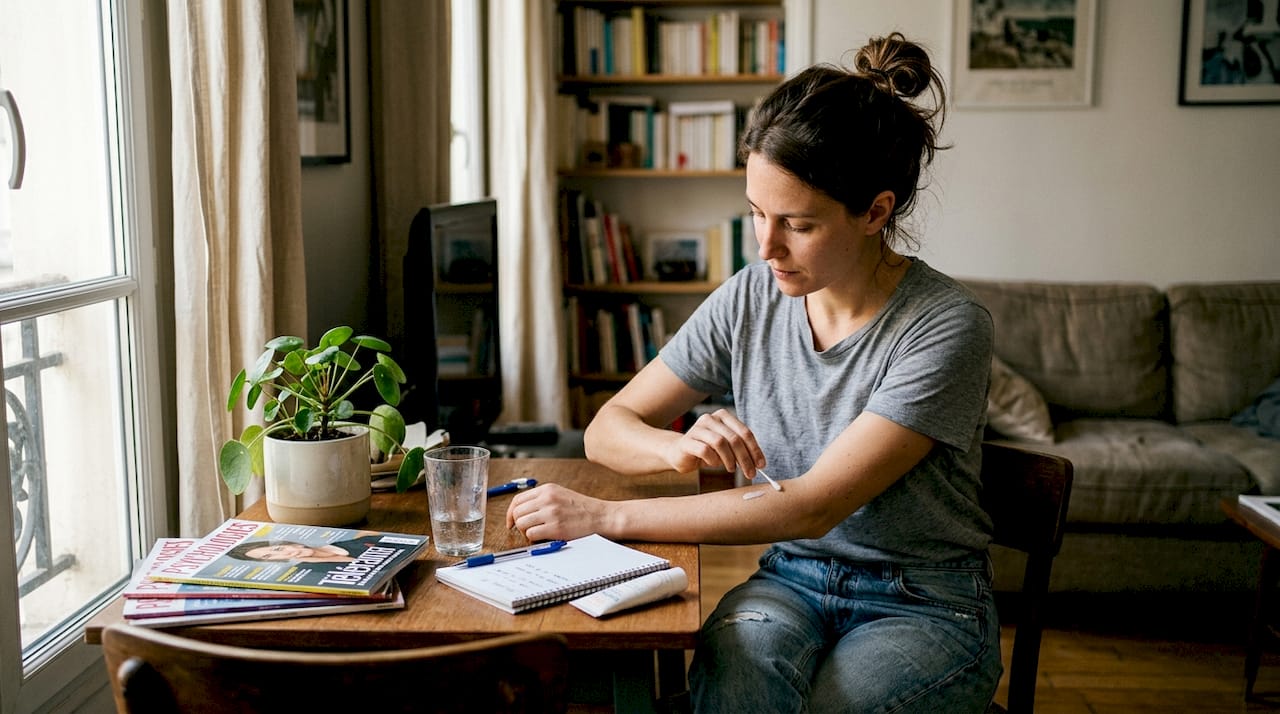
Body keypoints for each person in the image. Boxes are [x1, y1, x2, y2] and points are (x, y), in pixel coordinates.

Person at [507, 32, 1000, 712]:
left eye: (796, 224)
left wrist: (605, 516)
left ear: (875, 212)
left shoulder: (947, 325)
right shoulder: (750, 296)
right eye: (756, 214)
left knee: (840, 704)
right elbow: (608, 428)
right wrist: (678, 446)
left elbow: (814, 503)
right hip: (792, 579)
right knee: (737, 677)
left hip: (924, 601)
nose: (765, 246)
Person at [226, 531, 385, 563]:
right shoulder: (310, 571)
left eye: (277, 549)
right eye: (269, 557)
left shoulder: (356, 538)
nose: (287, 552)